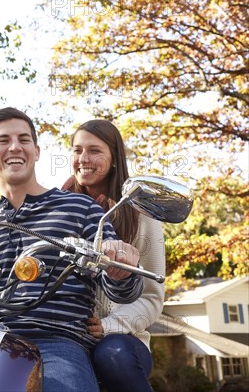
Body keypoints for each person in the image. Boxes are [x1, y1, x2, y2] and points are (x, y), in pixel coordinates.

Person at [0, 107, 144, 392]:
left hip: (57, 343)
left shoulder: (81, 209)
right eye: (3, 140)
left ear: (36, 151)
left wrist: (121, 272)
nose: (14, 147)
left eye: (24, 139)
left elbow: (123, 290)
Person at [63, 119, 166, 392]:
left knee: (112, 356)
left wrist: (108, 326)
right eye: (77, 150)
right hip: (63, 334)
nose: (83, 159)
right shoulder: (58, 207)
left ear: (114, 159)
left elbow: (153, 297)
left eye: (94, 151)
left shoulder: (142, 214)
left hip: (122, 340)